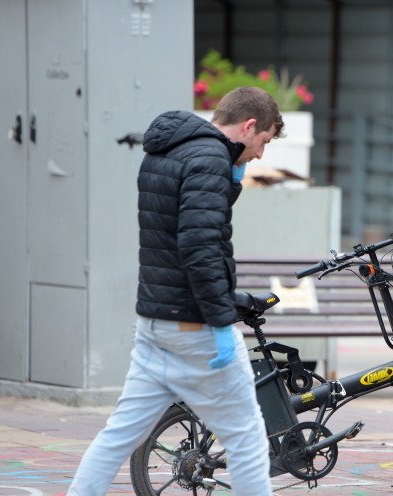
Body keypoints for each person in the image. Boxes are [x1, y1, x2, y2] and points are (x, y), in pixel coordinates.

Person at [67, 86, 284, 496]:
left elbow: (179, 227)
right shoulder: (210, 158)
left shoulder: (167, 150)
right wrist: (221, 324)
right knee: (248, 439)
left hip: (155, 322)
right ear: (249, 125)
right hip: (196, 327)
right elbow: (200, 246)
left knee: (119, 435)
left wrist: (232, 181)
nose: (260, 155)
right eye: (264, 141)